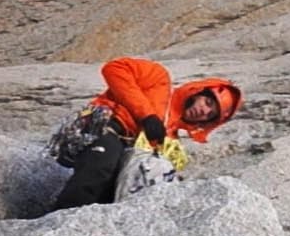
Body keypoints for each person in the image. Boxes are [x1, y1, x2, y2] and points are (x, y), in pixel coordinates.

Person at [48, 56, 241, 211]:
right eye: (207, 102)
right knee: (102, 165)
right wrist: (146, 115)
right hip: (103, 126)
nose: (203, 111)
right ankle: (57, 223)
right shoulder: (158, 79)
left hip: (121, 150)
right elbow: (114, 68)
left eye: (210, 114)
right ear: (197, 92)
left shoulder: (169, 139)